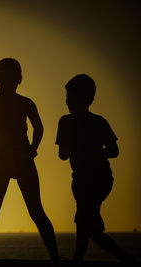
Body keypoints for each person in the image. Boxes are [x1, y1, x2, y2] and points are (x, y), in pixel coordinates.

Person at [0, 58, 59, 261]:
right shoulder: (4, 101)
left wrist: (32, 149)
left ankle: (55, 257)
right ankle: (55, 258)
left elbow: (38, 127)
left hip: (18, 159)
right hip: (11, 160)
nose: (7, 82)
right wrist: (31, 148)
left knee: (28, 212)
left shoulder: (17, 102)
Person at [56, 74, 136, 263]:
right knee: (85, 221)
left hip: (89, 180)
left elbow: (62, 155)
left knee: (86, 222)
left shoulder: (66, 121)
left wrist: (84, 149)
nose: (66, 100)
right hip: (100, 178)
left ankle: (126, 259)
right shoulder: (99, 121)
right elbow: (114, 151)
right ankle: (79, 259)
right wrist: (95, 151)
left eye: (69, 96)